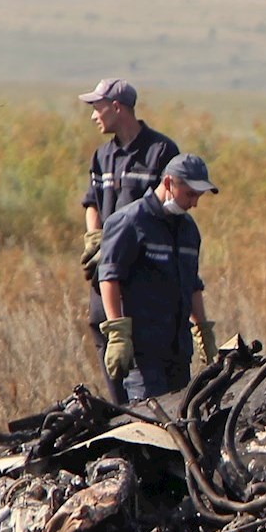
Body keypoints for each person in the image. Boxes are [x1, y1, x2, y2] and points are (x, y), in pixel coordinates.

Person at [78, 79, 182, 402]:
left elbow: (170, 207)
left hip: (143, 281)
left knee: (151, 389)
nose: (94, 115)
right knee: (106, 340)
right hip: (106, 276)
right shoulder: (102, 156)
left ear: (117, 107)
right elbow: (93, 202)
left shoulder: (161, 151)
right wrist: (95, 239)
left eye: (98, 107)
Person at [95, 154, 220, 402]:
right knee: (151, 426)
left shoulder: (188, 230)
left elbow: (192, 283)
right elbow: (109, 277)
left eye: (198, 196)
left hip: (178, 352)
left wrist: (202, 329)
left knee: (180, 422)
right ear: (168, 183)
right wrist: (117, 332)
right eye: (190, 194)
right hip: (144, 354)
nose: (194, 203)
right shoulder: (129, 222)